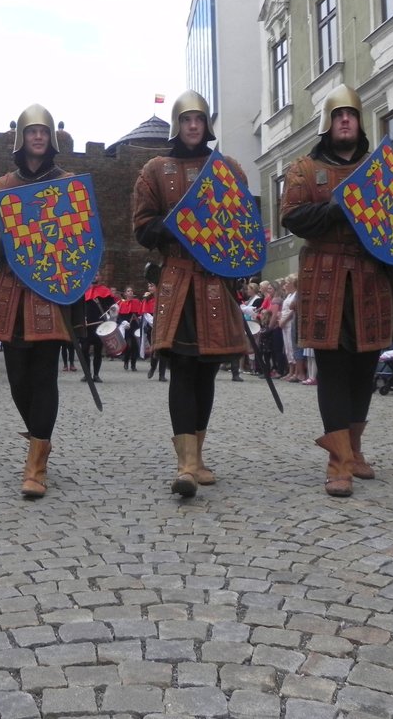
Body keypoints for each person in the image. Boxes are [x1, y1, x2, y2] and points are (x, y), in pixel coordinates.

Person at [280, 84, 393, 497]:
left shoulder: (379, 168)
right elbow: (292, 217)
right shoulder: (303, 169)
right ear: (327, 123)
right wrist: (339, 205)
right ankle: (338, 461)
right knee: (332, 369)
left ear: (359, 120)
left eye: (350, 113)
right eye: (337, 114)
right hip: (325, 275)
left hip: (370, 276)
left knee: (365, 367)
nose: (345, 119)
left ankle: (355, 448)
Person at [133, 89, 249, 497]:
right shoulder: (155, 169)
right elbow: (142, 226)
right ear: (177, 125)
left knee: (207, 371)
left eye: (199, 119)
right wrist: (176, 223)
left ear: (206, 124)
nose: (193, 126)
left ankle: (197, 456)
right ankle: (185, 463)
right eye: (186, 120)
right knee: (183, 369)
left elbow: (241, 224)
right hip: (178, 279)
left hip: (216, 281)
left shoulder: (227, 168)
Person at [0, 103, 81, 498]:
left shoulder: (68, 184)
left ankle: (36, 463)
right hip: (12, 290)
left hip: (51, 290)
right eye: (31, 131)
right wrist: (2, 238)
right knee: (18, 376)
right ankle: (41, 437)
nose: (38, 136)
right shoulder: (0, 187)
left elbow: (82, 240)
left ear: (51, 138)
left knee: (44, 374)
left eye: (44, 131)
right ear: (21, 138)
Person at [79, 275, 116, 383]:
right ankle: (87, 374)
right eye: (93, 274)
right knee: (84, 349)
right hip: (87, 325)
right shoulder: (83, 290)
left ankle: (96, 374)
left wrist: (112, 311)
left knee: (98, 351)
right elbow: (79, 308)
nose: (95, 276)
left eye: (97, 274)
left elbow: (113, 307)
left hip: (100, 326)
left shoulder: (105, 291)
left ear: (100, 277)